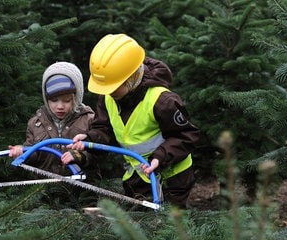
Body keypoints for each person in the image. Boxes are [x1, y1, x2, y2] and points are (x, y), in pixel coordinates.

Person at [67, 33, 200, 209]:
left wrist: (160, 157)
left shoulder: (162, 101)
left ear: (133, 77)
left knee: (170, 228)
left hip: (172, 178)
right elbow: (104, 129)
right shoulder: (108, 97)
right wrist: (90, 140)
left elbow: (186, 136)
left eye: (115, 86)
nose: (110, 91)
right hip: (137, 176)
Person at [9, 61, 95, 177]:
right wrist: (22, 153)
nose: (60, 106)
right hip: (46, 189)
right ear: (46, 98)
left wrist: (81, 156)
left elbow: (99, 152)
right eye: (54, 100)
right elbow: (34, 154)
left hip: (81, 189)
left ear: (77, 97)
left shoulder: (89, 119)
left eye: (66, 101)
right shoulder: (35, 123)